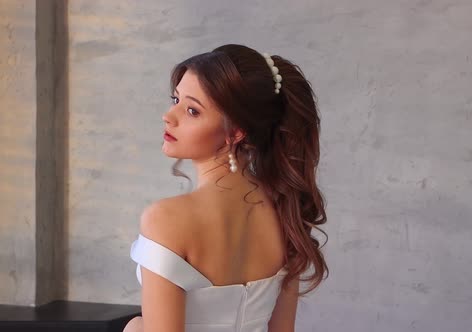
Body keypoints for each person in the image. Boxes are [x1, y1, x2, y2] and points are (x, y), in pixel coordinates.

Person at [123, 44, 328, 332]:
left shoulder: (166, 218)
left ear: (236, 132)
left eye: (193, 110)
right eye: (176, 99)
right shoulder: (285, 211)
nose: (169, 116)